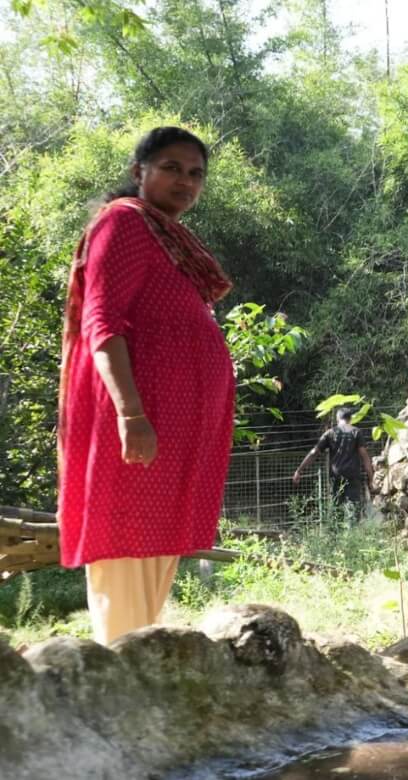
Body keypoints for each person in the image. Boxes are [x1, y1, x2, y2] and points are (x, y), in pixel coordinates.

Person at [57, 127, 234, 646]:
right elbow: (102, 325)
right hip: (139, 424)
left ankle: (133, 666)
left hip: (170, 430)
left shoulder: (163, 236)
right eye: (171, 168)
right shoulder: (123, 224)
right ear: (139, 172)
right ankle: (117, 668)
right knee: (126, 546)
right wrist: (131, 416)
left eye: (196, 173)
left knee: (154, 547)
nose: (186, 181)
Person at [293, 407, 375, 515]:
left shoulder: (330, 433)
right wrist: (371, 478)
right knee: (353, 511)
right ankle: (353, 531)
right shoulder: (356, 432)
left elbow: (314, 453)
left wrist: (299, 470)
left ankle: (336, 531)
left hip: (336, 476)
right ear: (350, 419)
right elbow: (365, 457)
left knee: (336, 511)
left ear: (338, 418)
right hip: (353, 476)